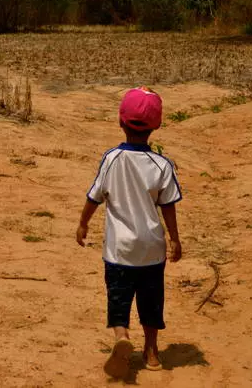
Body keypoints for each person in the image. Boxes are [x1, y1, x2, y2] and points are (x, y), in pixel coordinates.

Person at [76, 86, 183, 380]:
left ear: (120, 121)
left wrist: (83, 222)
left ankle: (121, 336)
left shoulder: (111, 160)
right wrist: (174, 239)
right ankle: (151, 351)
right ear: (156, 126)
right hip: (151, 250)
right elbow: (168, 206)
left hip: (118, 250)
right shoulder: (162, 165)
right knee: (151, 301)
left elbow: (95, 197)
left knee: (118, 298)